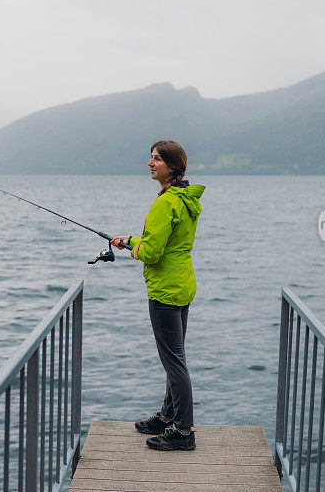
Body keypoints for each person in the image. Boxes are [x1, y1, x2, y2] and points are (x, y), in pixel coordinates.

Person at [111, 139, 205, 451]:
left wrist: (132, 247)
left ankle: (182, 431)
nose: (151, 163)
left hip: (165, 290)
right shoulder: (182, 198)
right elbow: (164, 240)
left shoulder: (165, 203)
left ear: (172, 166)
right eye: (151, 158)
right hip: (182, 284)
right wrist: (131, 239)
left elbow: (151, 252)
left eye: (157, 159)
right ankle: (168, 416)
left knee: (174, 362)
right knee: (174, 358)